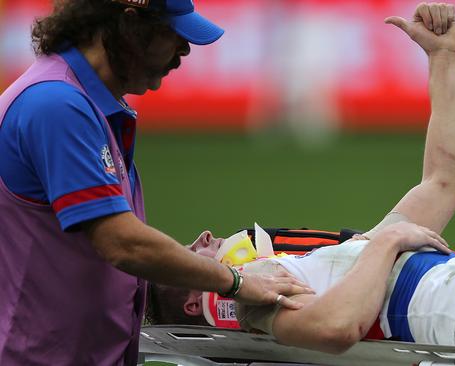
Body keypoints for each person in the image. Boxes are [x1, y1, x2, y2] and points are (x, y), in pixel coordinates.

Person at [148, 2, 455, 359]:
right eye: (193, 251)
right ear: (199, 300)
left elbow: (447, 180)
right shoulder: (254, 301)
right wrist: (386, 242)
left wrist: (443, 59)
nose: (206, 237)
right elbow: (334, 328)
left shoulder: (333, 262)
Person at [0, 1, 312, 365]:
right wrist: (237, 282)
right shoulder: (57, 104)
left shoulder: (79, 101)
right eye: (173, 34)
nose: (184, 49)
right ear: (130, 25)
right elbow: (122, 243)